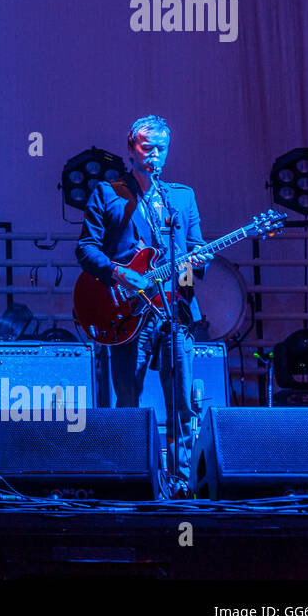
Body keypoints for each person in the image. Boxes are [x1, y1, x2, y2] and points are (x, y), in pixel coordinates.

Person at [76, 115, 212, 490]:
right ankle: (131, 476)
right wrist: (120, 273)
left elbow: (198, 248)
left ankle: (184, 481)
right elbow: (86, 248)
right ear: (130, 149)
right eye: (146, 148)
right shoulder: (108, 193)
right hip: (128, 311)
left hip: (176, 310)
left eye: (161, 148)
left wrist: (200, 259)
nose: (155, 155)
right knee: (128, 398)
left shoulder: (181, 197)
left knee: (183, 402)